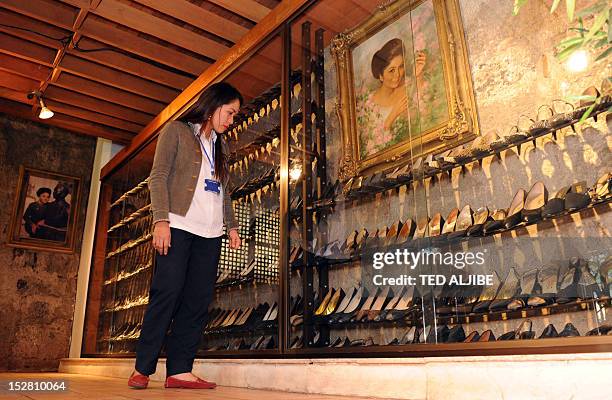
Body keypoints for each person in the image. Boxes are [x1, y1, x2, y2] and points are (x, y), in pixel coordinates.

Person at [128, 82, 243, 390]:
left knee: (197, 301)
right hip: (178, 225)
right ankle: (143, 367)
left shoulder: (222, 146)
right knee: (167, 293)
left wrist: (230, 226)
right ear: (214, 103)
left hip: (210, 233)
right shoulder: (177, 131)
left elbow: (224, 191)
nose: (231, 120)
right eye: (230, 112)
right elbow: (159, 176)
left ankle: (180, 370)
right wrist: (160, 221)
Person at [357, 38, 426, 157]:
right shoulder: (368, 105)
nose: (398, 74)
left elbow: (424, 112)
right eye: (391, 70)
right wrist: (393, 115)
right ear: (380, 76)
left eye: (400, 67)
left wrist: (419, 76)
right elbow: (371, 150)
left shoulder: (409, 85)